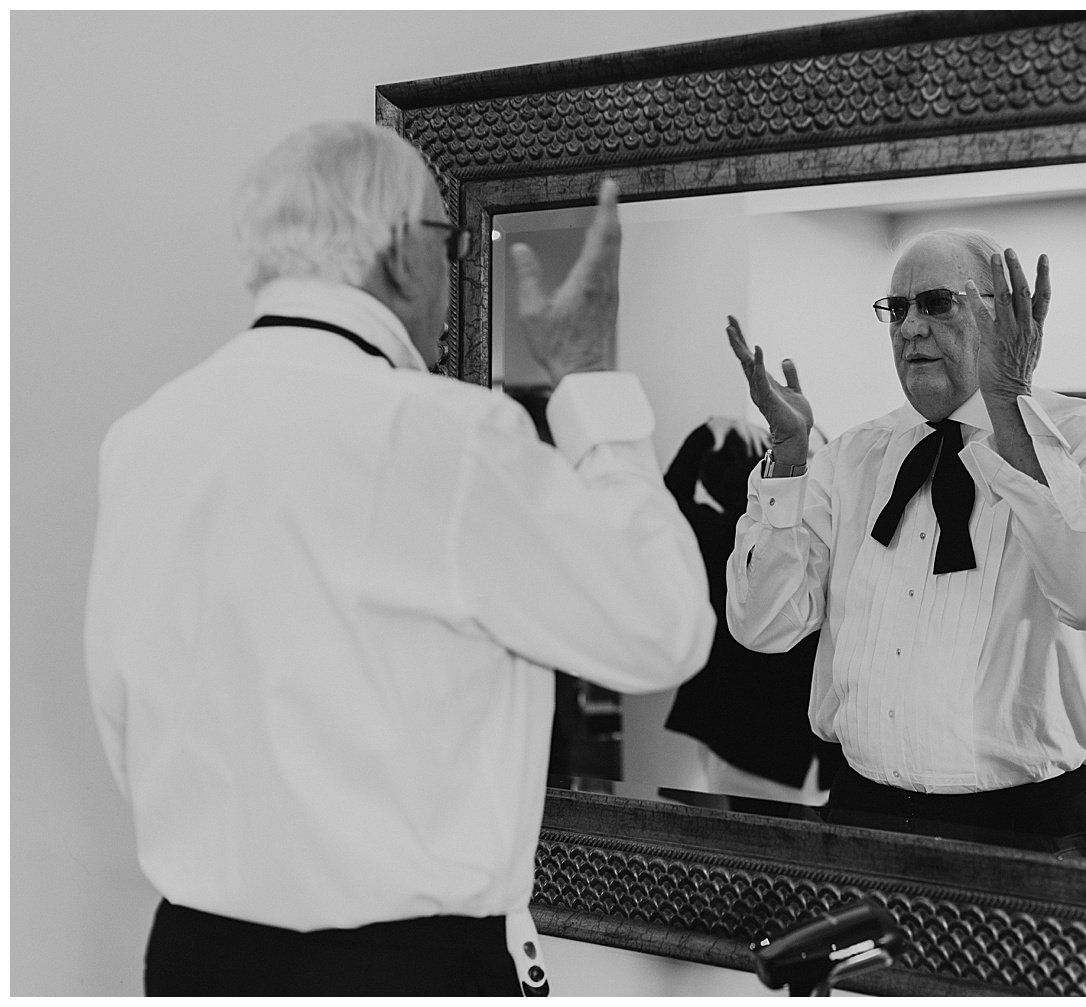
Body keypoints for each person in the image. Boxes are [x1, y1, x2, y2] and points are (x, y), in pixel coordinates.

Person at [84, 121, 714, 995]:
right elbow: (664, 625)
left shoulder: (145, 435)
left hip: (196, 959)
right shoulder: (445, 436)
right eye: (452, 245)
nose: (454, 276)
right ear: (400, 252)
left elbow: (124, 715)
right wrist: (589, 380)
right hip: (395, 970)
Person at [721, 227, 1086, 849]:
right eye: (896, 309)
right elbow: (762, 625)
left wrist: (1010, 404)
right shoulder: (850, 458)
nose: (909, 328)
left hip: (1027, 828)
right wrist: (789, 458)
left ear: (1004, 315)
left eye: (935, 303)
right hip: (859, 815)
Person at [662, 419, 846, 805]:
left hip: (821, 747)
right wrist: (708, 431)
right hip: (745, 738)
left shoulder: (841, 535)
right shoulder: (723, 537)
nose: (806, 473)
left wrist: (705, 433)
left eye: (813, 459)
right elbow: (667, 502)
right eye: (793, 462)